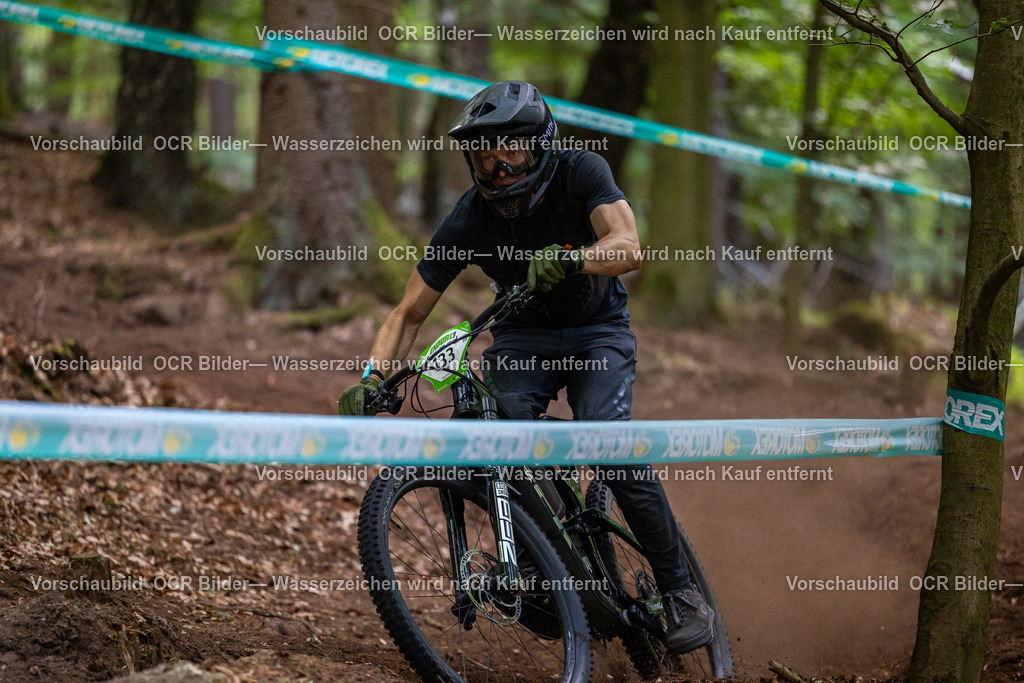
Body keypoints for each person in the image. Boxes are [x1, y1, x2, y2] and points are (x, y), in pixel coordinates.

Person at [338, 80, 713, 654]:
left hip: (597, 333)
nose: (497, 168)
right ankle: (541, 564)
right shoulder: (470, 217)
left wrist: (575, 259)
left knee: (606, 441)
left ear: (540, 144)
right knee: (495, 433)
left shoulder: (581, 171)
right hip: (522, 337)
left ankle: (680, 589)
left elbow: (628, 245)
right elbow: (407, 312)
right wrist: (372, 378)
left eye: (509, 149)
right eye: (482, 155)